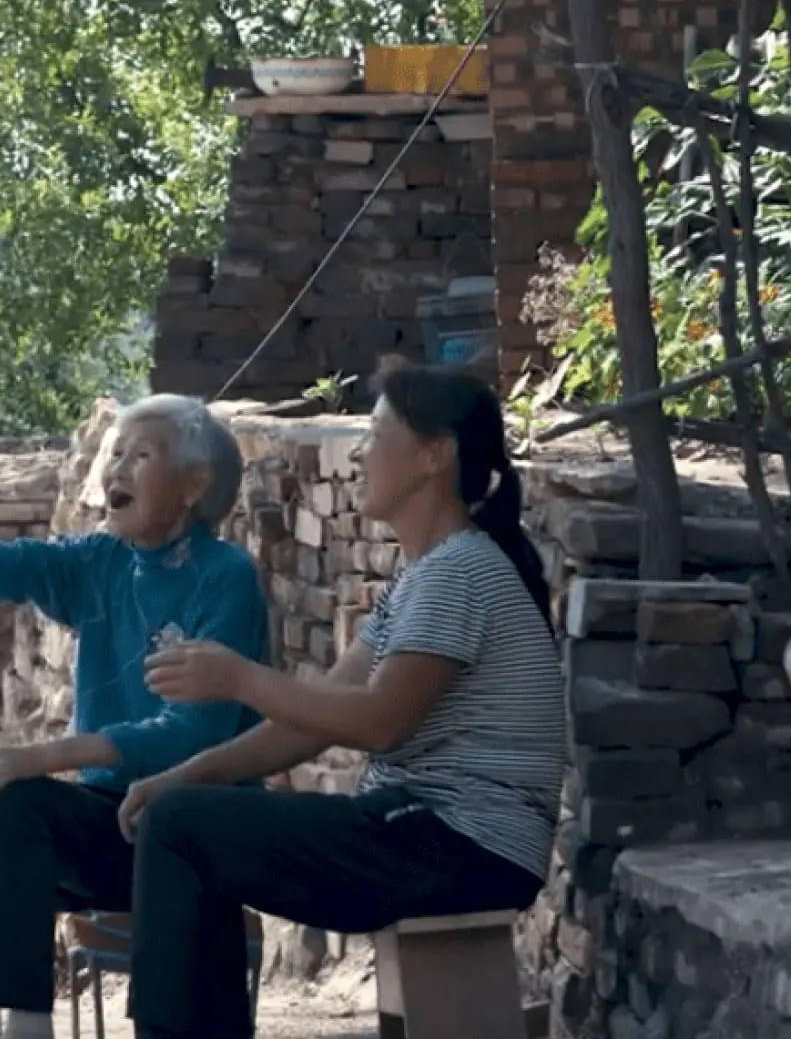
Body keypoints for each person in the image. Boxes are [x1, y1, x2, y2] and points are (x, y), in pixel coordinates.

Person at [118, 364, 566, 1038]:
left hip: (460, 845)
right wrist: (185, 776)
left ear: (435, 454)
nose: (359, 453)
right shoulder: (424, 575)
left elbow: (380, 722)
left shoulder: (459, 571)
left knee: (184, 831)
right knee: (183, 820)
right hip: (425, 833)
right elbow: (315, 715)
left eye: (377, 434)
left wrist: (239, 679)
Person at [0, 374, 270, 1039]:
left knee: (24, 801)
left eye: (141, 455)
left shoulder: (224, 576)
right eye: (116, 452)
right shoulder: (99, 559)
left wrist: (41, 756)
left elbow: (190, 735)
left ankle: (28, 1025)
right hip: (99, 823)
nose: (117, 467)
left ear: (193, 484)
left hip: (175, 826)